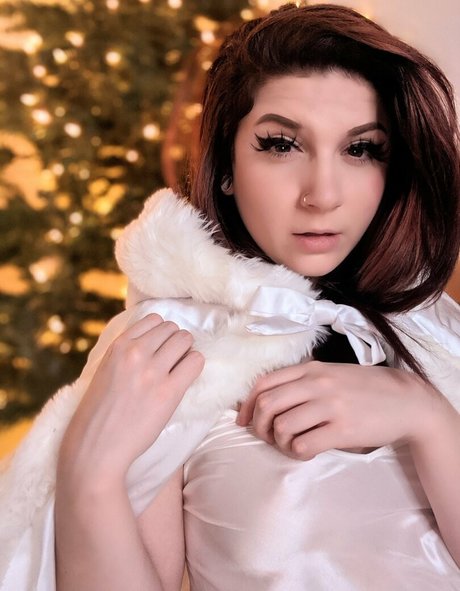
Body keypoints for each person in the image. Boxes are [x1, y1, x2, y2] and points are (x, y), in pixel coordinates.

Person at [0, 3, 459, 590]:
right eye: (281, 144)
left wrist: (429, 418)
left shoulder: (436, 332)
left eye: (361, 149)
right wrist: (90, 473)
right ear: (225, 167)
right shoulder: (171, 347)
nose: (323, 195)